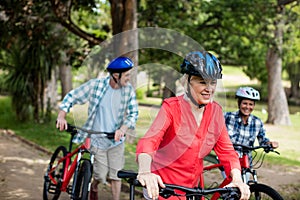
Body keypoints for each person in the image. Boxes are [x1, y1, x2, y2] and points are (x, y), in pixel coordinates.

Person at [136, 51, 250, 200]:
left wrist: (237, 178)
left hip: (193, 191)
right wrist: (145, 171)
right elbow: (149, 142)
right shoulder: (171, 108)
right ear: (186, 82)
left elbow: (227, 152)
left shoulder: (215, 112)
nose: (209, 89)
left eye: (213, 82)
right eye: (202, 82)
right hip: (163, 188)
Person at [56, 56, 139, 200]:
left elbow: (133, 113)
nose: (129, 78)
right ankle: (94, 186)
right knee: (100, 174)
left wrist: (123, 129)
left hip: (116, 140)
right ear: (115, 75)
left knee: (116, 174)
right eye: (126, 75)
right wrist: (61, 116)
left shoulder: (128, 91)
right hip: (96, 138)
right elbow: (72, 96)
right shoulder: (96, 86)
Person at [224, 87, 279, 161]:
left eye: (251, 104)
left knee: (250, 173)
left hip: (246, 162)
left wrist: (270, 144)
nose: (247, 107)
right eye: (245, 103)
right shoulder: (228, 117)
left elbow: (262, 140)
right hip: (228, 160)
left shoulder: (257, 122)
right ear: (239, 103)